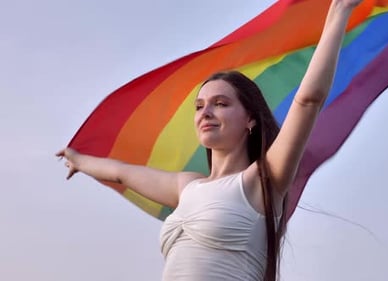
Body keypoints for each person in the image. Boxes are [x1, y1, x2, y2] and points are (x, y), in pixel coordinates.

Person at [57, 0, 362, 280]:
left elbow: (308, 101)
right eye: (200, 106)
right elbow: (121, 172)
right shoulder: (186, 186)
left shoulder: (263, 179)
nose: (206, 113)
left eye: (221, 104)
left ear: (250, 119)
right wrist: (79, 160)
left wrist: (338, 11)